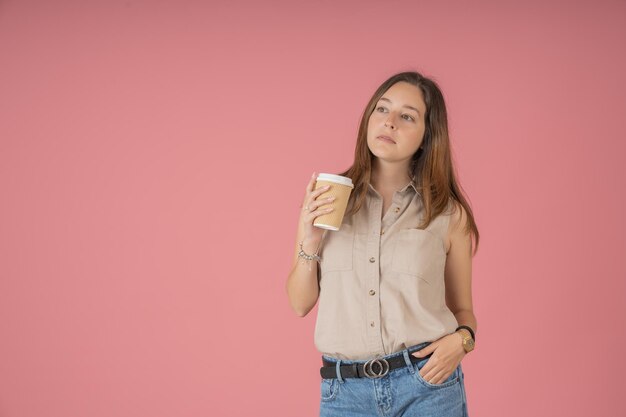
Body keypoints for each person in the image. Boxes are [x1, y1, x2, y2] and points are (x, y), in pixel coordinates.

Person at [286, 71, 479, 417]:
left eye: (407, 116)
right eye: (382, 109)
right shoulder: (329, 198)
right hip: (345, 393)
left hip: (427, 387)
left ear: (426, 136)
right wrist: (309, 238)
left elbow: (464, 312)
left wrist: (462, 343)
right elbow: (300, 304)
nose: (389, 122)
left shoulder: (447, 213)